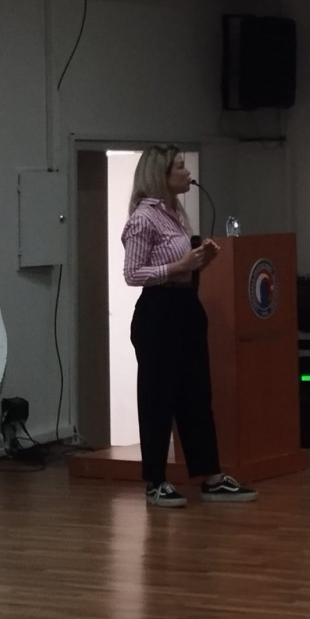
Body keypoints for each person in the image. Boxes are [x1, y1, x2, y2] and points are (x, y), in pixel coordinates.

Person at [122, 145, 258, 508]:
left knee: (196, 394)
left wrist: (200, 261)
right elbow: (132, 274)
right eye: (180, 167)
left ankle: (210, 476)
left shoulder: (175, 213)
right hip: (158, 312)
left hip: (186, 308)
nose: (188, 173)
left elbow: (181, 266)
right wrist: (180, 265)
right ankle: (156, 481)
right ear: (161, 174)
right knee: (158, 398)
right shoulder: (143, 218)